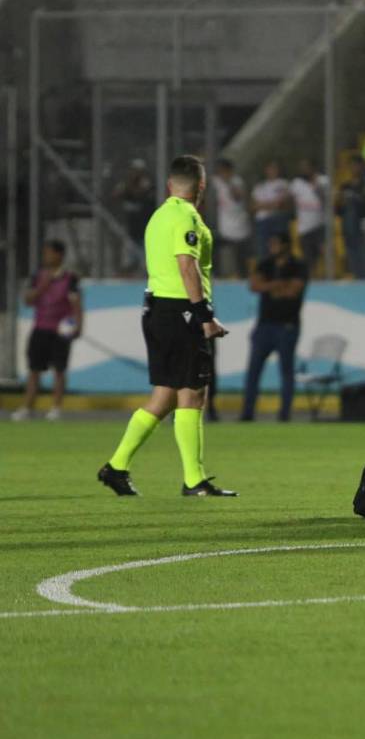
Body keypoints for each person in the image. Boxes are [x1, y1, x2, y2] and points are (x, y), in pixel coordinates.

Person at [97, 155, 237, 498]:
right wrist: (203, 315)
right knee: (193, 395)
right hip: (182, 313)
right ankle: (194, 480)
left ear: (168, 185)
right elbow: (186, 266)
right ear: (202, 186)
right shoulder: (187, 217)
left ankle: (116, 467)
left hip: (157, 309)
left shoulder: (159, 216)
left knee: (164, 397)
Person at [240, 232, 308, 422]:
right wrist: (278, 285)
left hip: (287, 326)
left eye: (276, 243)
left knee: (286, 372)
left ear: (286, 245)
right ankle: (247, 413)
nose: (272, 247)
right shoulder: (265, 263)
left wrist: (268, 286)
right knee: (253, 371)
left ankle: (284, 414)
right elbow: (254, 285)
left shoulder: (297, 265)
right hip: (265, 325)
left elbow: (292, 291)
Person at [11, 240, 81, 422]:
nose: (46, 257)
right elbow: (28, 300)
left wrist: (78, 326)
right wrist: (44, 285)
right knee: (34, 369)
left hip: (60, 331)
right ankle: (28, 407)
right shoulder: (38, 276)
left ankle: (56, 408)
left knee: (59, 369)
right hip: (40, 328)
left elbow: (76, 303)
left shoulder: (70, 278)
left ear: (59, 255)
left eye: (49, 253)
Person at [337, 154, 365, 279]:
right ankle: (358, 278)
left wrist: (355, 198)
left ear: (362, 167)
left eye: (357, 166)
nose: (354, 169)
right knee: (353, 257)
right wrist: (341, 200)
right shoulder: (344, 187)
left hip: (363, 229)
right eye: (351, 166)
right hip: (348, 229)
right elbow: (338, 210)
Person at [210, 159, 252, 278]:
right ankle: (215, 274)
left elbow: (238, 197)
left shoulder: (237, 181)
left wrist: (228, 182)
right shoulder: (217, 181)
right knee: (210, 246)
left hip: (239, 228)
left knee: (240, 259)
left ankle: (243, 279)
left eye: (224, 171)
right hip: (225, 228)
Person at [290, 158, 328, 270]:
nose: (303, 170)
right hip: (304, 228)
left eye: (306, 167)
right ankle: (312, 282)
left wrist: (316, 187)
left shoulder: (323, 180)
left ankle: (328, 280)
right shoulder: (296, 183)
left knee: (325, 255)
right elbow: (288, 201)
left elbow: (327, 200)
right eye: (301, 167)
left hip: (321, 225)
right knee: (308, 259)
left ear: (313, 168)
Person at [251, 160, 291, 259]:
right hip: (262, 221)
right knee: (263, 248)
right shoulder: (259, 186)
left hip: (278, 219)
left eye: (274, 168)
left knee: (280, 247)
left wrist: (262, 205)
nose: (272, 171)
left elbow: (281, 204)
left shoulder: (283, 184)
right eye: (270, 169)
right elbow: (253, 206)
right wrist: (271, 204)